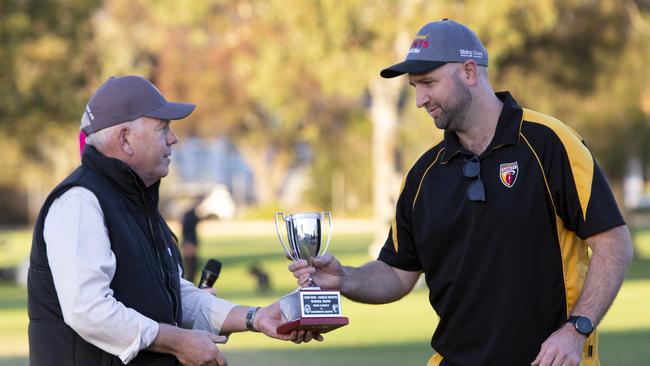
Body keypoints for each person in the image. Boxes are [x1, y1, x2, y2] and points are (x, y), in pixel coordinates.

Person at [290, 19, 634, 366]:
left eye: (428, 83)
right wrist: (344, 278)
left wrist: (576, 330)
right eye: (414, 87)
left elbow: (613, 243)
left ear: (469, 71)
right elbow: (396, 273)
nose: (420, 99)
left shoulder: (550, 144)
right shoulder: (423, 176)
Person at [28, 75, 321, 366]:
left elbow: (174, 294)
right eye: (162, 129)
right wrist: (179, 341)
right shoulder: (80, 202)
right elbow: (88, 310)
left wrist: (254, 317)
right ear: (125, 139)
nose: (173, 138)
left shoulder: (137, 204)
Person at [181, 199, 203, 283]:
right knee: (191, 266)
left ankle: (191, 282)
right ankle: (190, 282)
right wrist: (189, 243)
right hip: (189, 242)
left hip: (190, 241)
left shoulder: (190, 214)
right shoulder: (190, 215)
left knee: (192, 265)